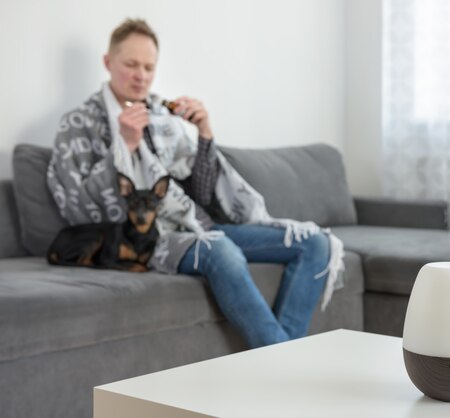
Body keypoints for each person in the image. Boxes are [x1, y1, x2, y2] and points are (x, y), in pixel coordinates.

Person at [47, 18, 344, 349]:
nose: (140, 75)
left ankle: (283, 354)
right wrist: (124, 148)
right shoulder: (78, 124)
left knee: (317, 243)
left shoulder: (163, 117)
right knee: (220, 250)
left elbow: (200, 196)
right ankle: (286, 362)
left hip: (196, 225)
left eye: (148, 66)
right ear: (108, 62)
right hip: (151, 241)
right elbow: (78, 211)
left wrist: (204, 134)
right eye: (131, 64)